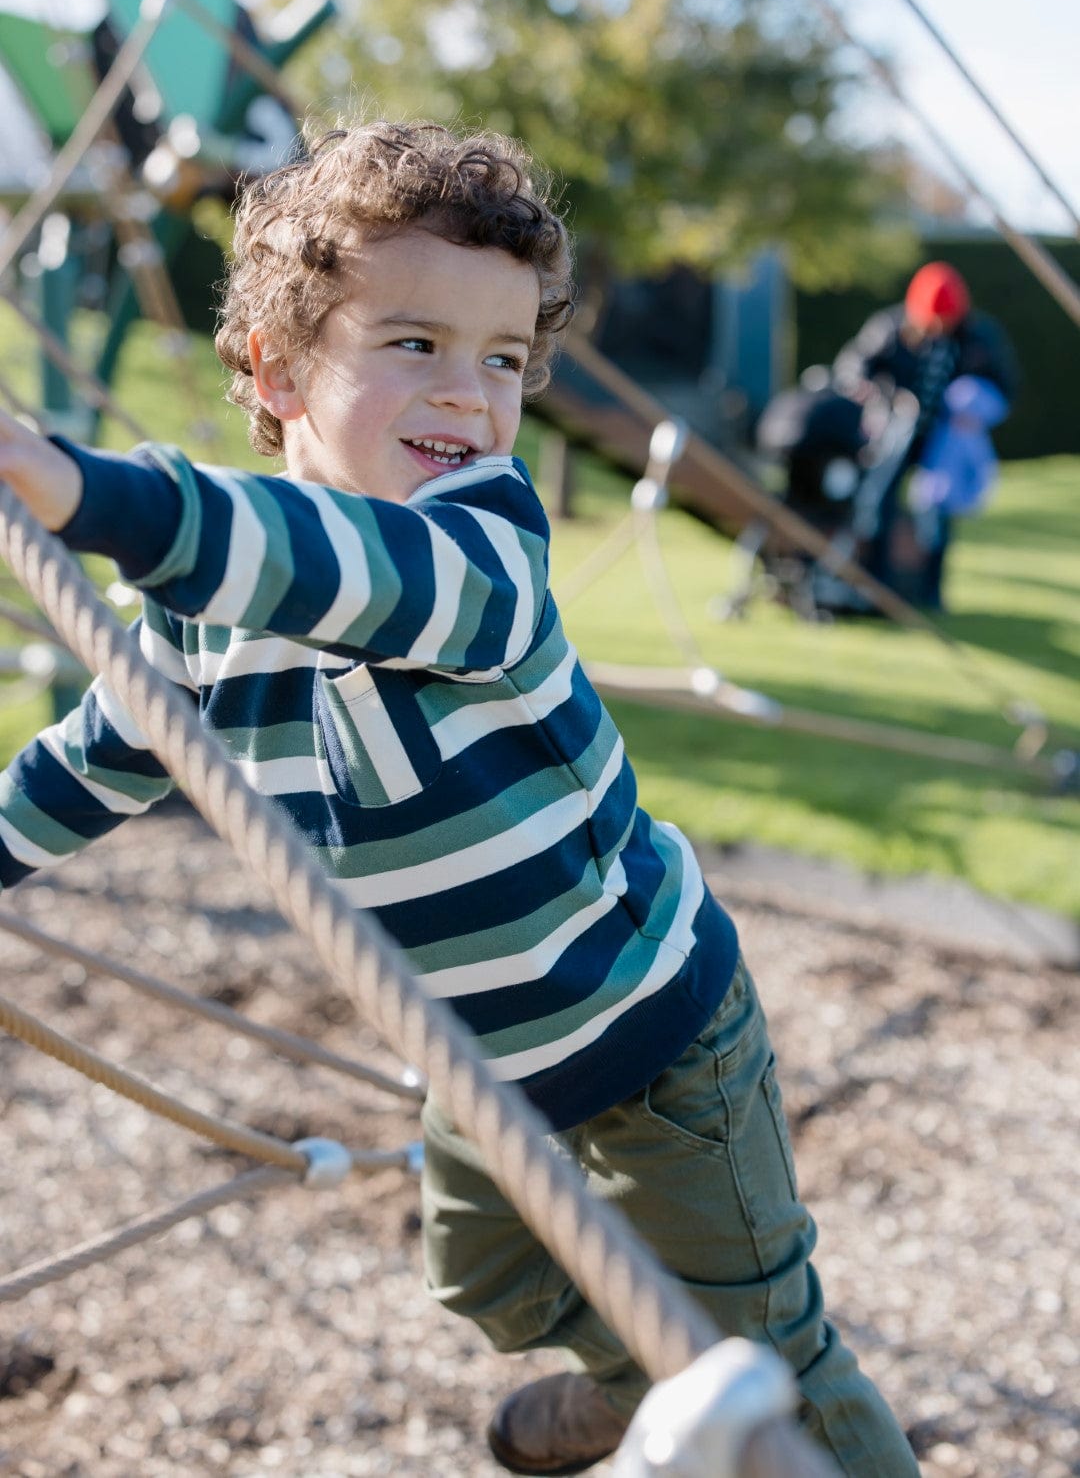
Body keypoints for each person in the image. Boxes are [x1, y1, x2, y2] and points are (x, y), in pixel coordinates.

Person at [0, 122, 919, 1478]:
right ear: (275, 365)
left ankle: (690, 1388)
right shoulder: (211, 614)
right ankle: (629, 1381)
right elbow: (96, 755)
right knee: (481, 1282)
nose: (469, 396)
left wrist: (88, 492)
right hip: (478, 1065)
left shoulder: (485, 546)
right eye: (414, 343)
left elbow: (349, 571)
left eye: (502, 360)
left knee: (766, 1357)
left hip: (658, 1041)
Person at [830, 260, 1017, 608]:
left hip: (945, 440)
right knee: (877, 501)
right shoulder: (890, 326)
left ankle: (929, 593)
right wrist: (883, 397)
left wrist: (977, 409)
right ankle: (876, 585)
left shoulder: (977, 336)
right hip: (895, 434)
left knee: (937, 516)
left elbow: (1005, 386)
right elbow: (852, 367)